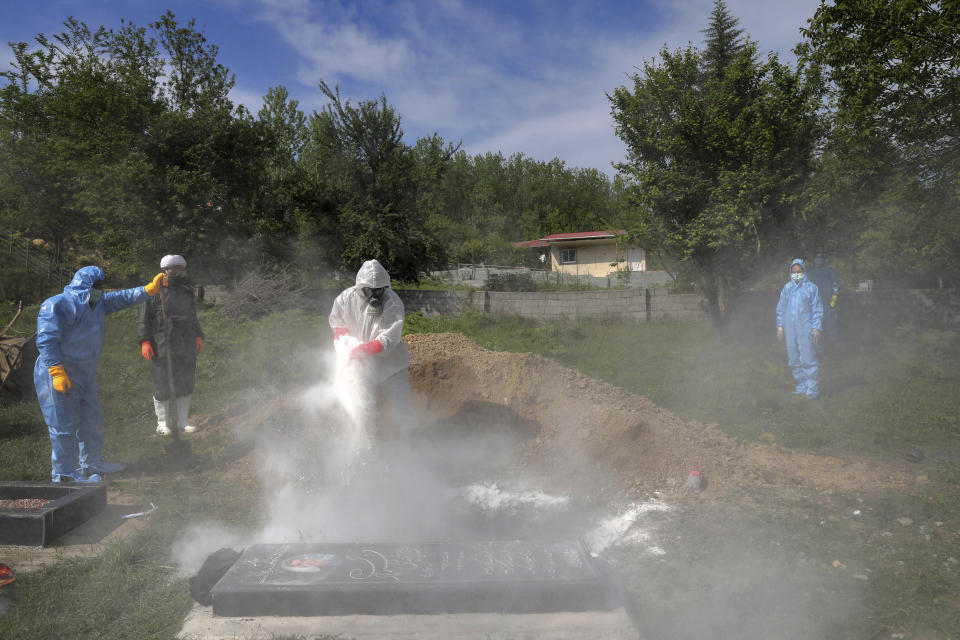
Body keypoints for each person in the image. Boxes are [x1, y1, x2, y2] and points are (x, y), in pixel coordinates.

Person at [34, 266, 167, 482]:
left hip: (86, 373)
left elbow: (124, 297)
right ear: (84, 284)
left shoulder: (99, 303)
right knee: (63, 426)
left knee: (91, 420)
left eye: (101, 286)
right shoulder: (57, 305)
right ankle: (64, 474)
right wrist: (56, 370)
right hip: (59, 374)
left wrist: (149, 289)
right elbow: (46, 340)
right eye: (96, 286)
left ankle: (92, 463)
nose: (100, 289)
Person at [328, 259, 417, 435]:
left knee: (401, 405)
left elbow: (389, 338)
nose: (375, 295)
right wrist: (343, 337)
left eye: (379, 290)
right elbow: (337, 322)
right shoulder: (346, 298)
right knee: (362, 405)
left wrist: (363, 349)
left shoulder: (392, 302)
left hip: (391, 366)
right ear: (360, 287)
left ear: (385, 287)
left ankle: (412, 439)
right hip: (360, 365)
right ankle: (366, 440)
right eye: (370, 290)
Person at [138, 255, 204, 435]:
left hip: (186, 343)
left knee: (185, 381)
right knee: (162, 382)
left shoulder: (186, 291)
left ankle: (183, 421)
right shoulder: (153, 292)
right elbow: (144, 319)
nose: (177, 272)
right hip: (161, 344)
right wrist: (145, 341)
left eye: (179, 269)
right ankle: (162, 424)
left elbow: (192, 316)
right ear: (163, 271)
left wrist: (198, 335)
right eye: (172, 269)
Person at [776, 259, 824, 399]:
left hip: (806, 328)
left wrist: (816, 328)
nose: (796, 274)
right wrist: (780, 326)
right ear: (790, 272)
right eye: (794, 272)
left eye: (799, 271)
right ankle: (801, 385)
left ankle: (812, 389)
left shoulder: (811, 288)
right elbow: (781, 308)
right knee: (794, 357)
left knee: (808, 357)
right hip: (790, 329)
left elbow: (817, 309)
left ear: (804, 271)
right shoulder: (787, 288)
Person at [804, 251, 839, 342]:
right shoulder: (808, 271)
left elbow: (836, 287)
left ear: (824, 260)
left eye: (820, 259)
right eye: (816, 259)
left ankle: (832, 343)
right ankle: (812, 344)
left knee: (830, 324)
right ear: (814, 260)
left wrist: (833, 302)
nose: (818, 261)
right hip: (812, 304)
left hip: (826, 303)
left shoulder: (830, 271)